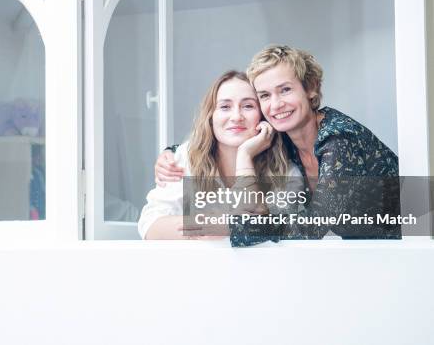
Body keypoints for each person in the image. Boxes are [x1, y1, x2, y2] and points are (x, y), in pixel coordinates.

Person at [155, 45, 401, 245]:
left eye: (285, 90)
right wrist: (170, 153)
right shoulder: (286, 136)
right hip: (364, 253)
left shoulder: (338, 139)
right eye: (264, 96)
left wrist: (231, 225)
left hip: (404, 248)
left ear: (310, 87)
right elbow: (224, 136)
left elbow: (315, 226)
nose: (276, 105)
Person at [139, 70, 304, 240]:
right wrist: (221, 225)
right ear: (211, 117)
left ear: (263, 117)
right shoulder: (185, 157)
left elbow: (267, 233)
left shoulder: (286, 173)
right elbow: (150, 225)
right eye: (225, 107)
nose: (236, 117)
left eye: (248, 106)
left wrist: (244, 156)